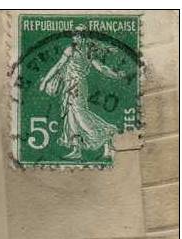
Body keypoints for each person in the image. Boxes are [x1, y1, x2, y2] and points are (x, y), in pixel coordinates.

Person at [38, 29, 126, 160]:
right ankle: (76, 149)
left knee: (80, 115)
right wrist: (45, 81)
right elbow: (57, 66)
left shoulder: (88, 52)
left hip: (77, 86)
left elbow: (101, 68)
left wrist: (116, 75)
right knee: (70, 116)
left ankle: (108, 134)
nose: (75, 38)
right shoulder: (70, 50)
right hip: (69, 86)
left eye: (78, 36)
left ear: (84, 37)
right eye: (74, 36)